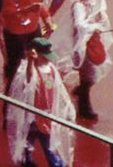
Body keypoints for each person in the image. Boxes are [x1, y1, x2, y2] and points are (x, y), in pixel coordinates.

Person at [6, 37, 74, 167]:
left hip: (46, 117)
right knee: (26, 142)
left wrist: (68, 107)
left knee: (50, 147)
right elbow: (28, 79)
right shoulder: (26, 69)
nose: (48, 59)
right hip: (31, 117)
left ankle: (55, 165)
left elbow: (60, 90)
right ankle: (27, 161)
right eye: (45, 56)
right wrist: (31, 61)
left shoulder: (51, 69)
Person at [62, 0, 112, 121]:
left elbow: (100, 11)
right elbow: (79, 24)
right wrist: (93, 24)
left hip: (93, 40)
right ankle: (84, 107)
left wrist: (100, 17)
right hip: (82, 44)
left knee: (92, 73)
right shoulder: (78, 5)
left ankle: (81, 91)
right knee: (88, 75)